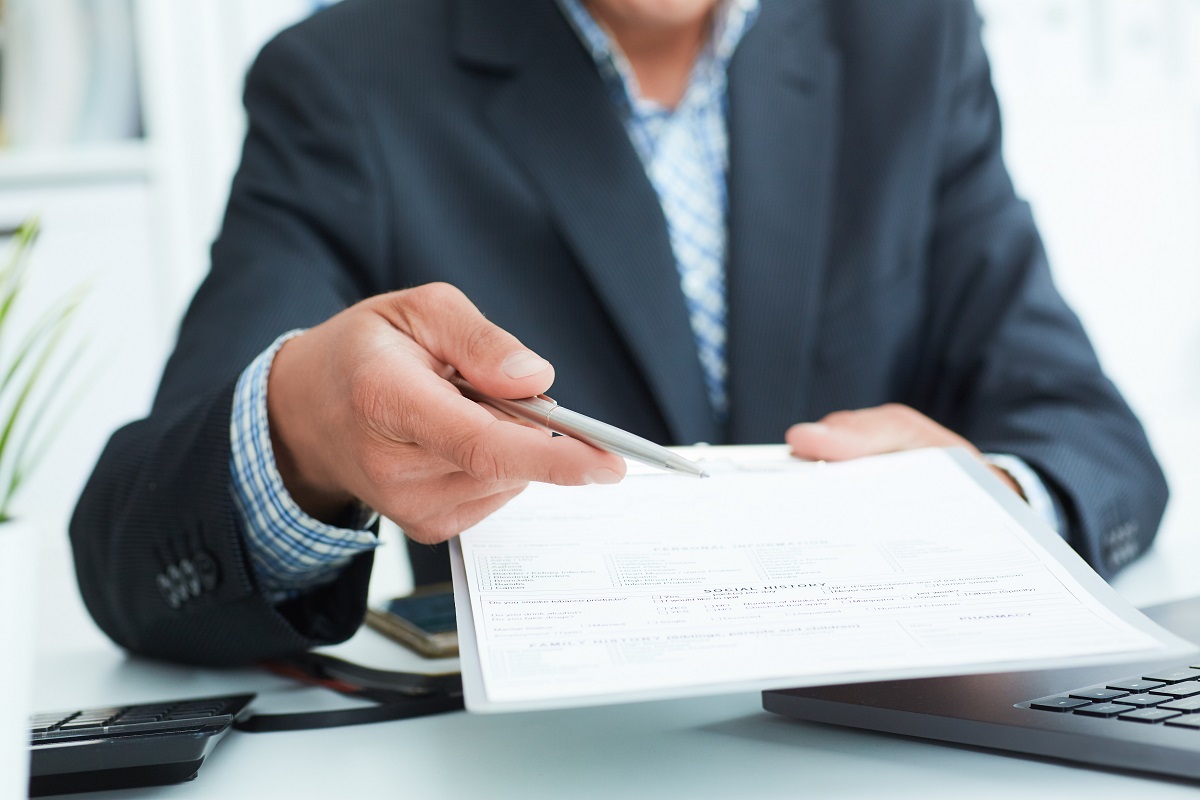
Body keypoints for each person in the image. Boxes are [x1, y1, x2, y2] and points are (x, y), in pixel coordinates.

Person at [71, 0, 1166, 667]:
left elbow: (1091, 438)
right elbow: (129, 549)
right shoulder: (344, 81)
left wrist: (991, 509)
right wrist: (305, 429)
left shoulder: (907, 36)